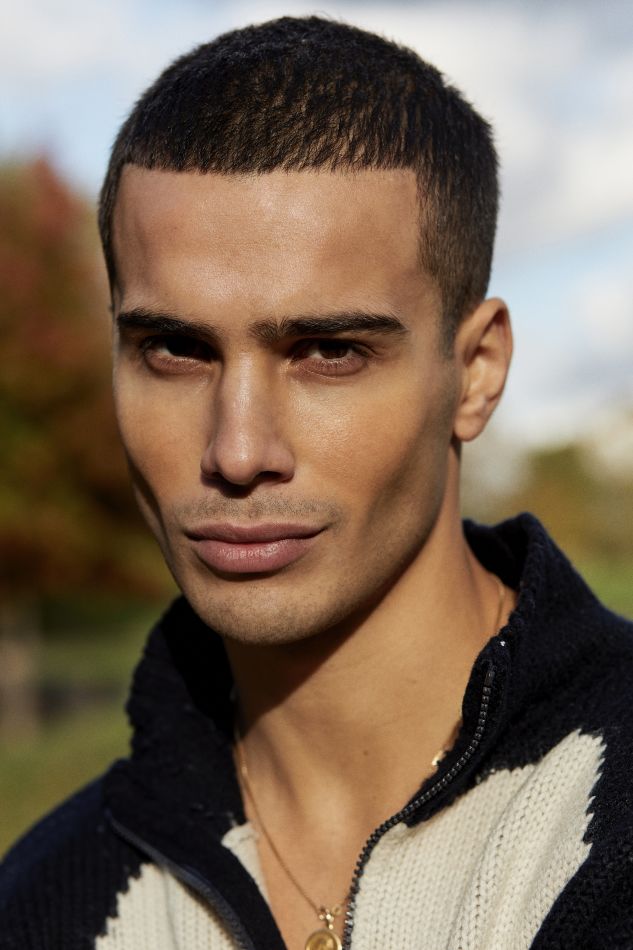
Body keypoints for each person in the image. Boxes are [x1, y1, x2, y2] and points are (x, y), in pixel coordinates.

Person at [1, 15, 632, 950]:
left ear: (475, 373)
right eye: (174, 349)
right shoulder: (44, 904)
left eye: (327, 351)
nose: (237, 450)